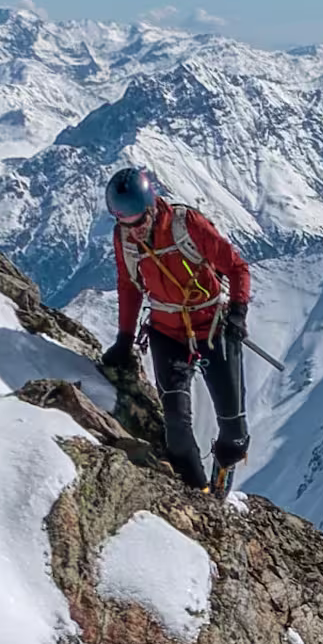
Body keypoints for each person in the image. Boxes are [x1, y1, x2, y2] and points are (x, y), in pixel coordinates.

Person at [99, 162, 253, 492]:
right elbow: (128, 285)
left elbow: (237, 268)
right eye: (123, 221)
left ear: (152, 206)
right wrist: (124, 339)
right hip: (167, 333)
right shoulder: (124, 237)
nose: (132, 229)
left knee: (234, 434)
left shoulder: (188, 225)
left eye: (137, 220)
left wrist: (238, 312)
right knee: (177, 432)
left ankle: (221, 483)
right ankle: (200, 498)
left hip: (211, 327)